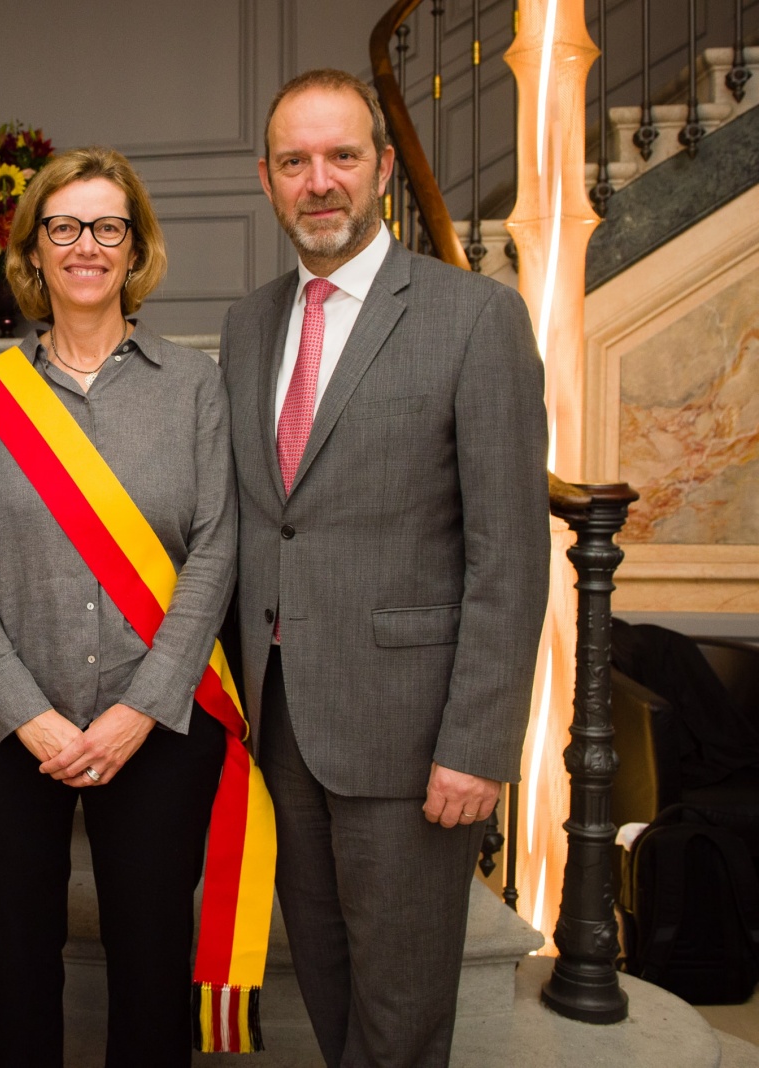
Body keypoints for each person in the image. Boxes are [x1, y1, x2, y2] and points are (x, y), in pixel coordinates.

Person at [222, 68, 549, 1067]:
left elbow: (509, 553)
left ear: (382, 171)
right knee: (320, 968)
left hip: (411, 735)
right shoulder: (246, 325)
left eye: (340, 157)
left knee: (402, 999)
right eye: (294, 162)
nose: (318, 181)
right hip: (279, 716)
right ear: (268, 180)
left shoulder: (472, 318)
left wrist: (478, 743)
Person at [0, 146, 275, 1067]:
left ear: (135, 250)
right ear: (34, 252)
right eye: (64, 228)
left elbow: (217, 549)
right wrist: (27, 715)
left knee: (151, 958)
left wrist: (139, 708)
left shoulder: (196, 386)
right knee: (19, 958)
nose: (86, 245)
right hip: (13, 727)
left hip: (160, 721)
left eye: (107, 228)